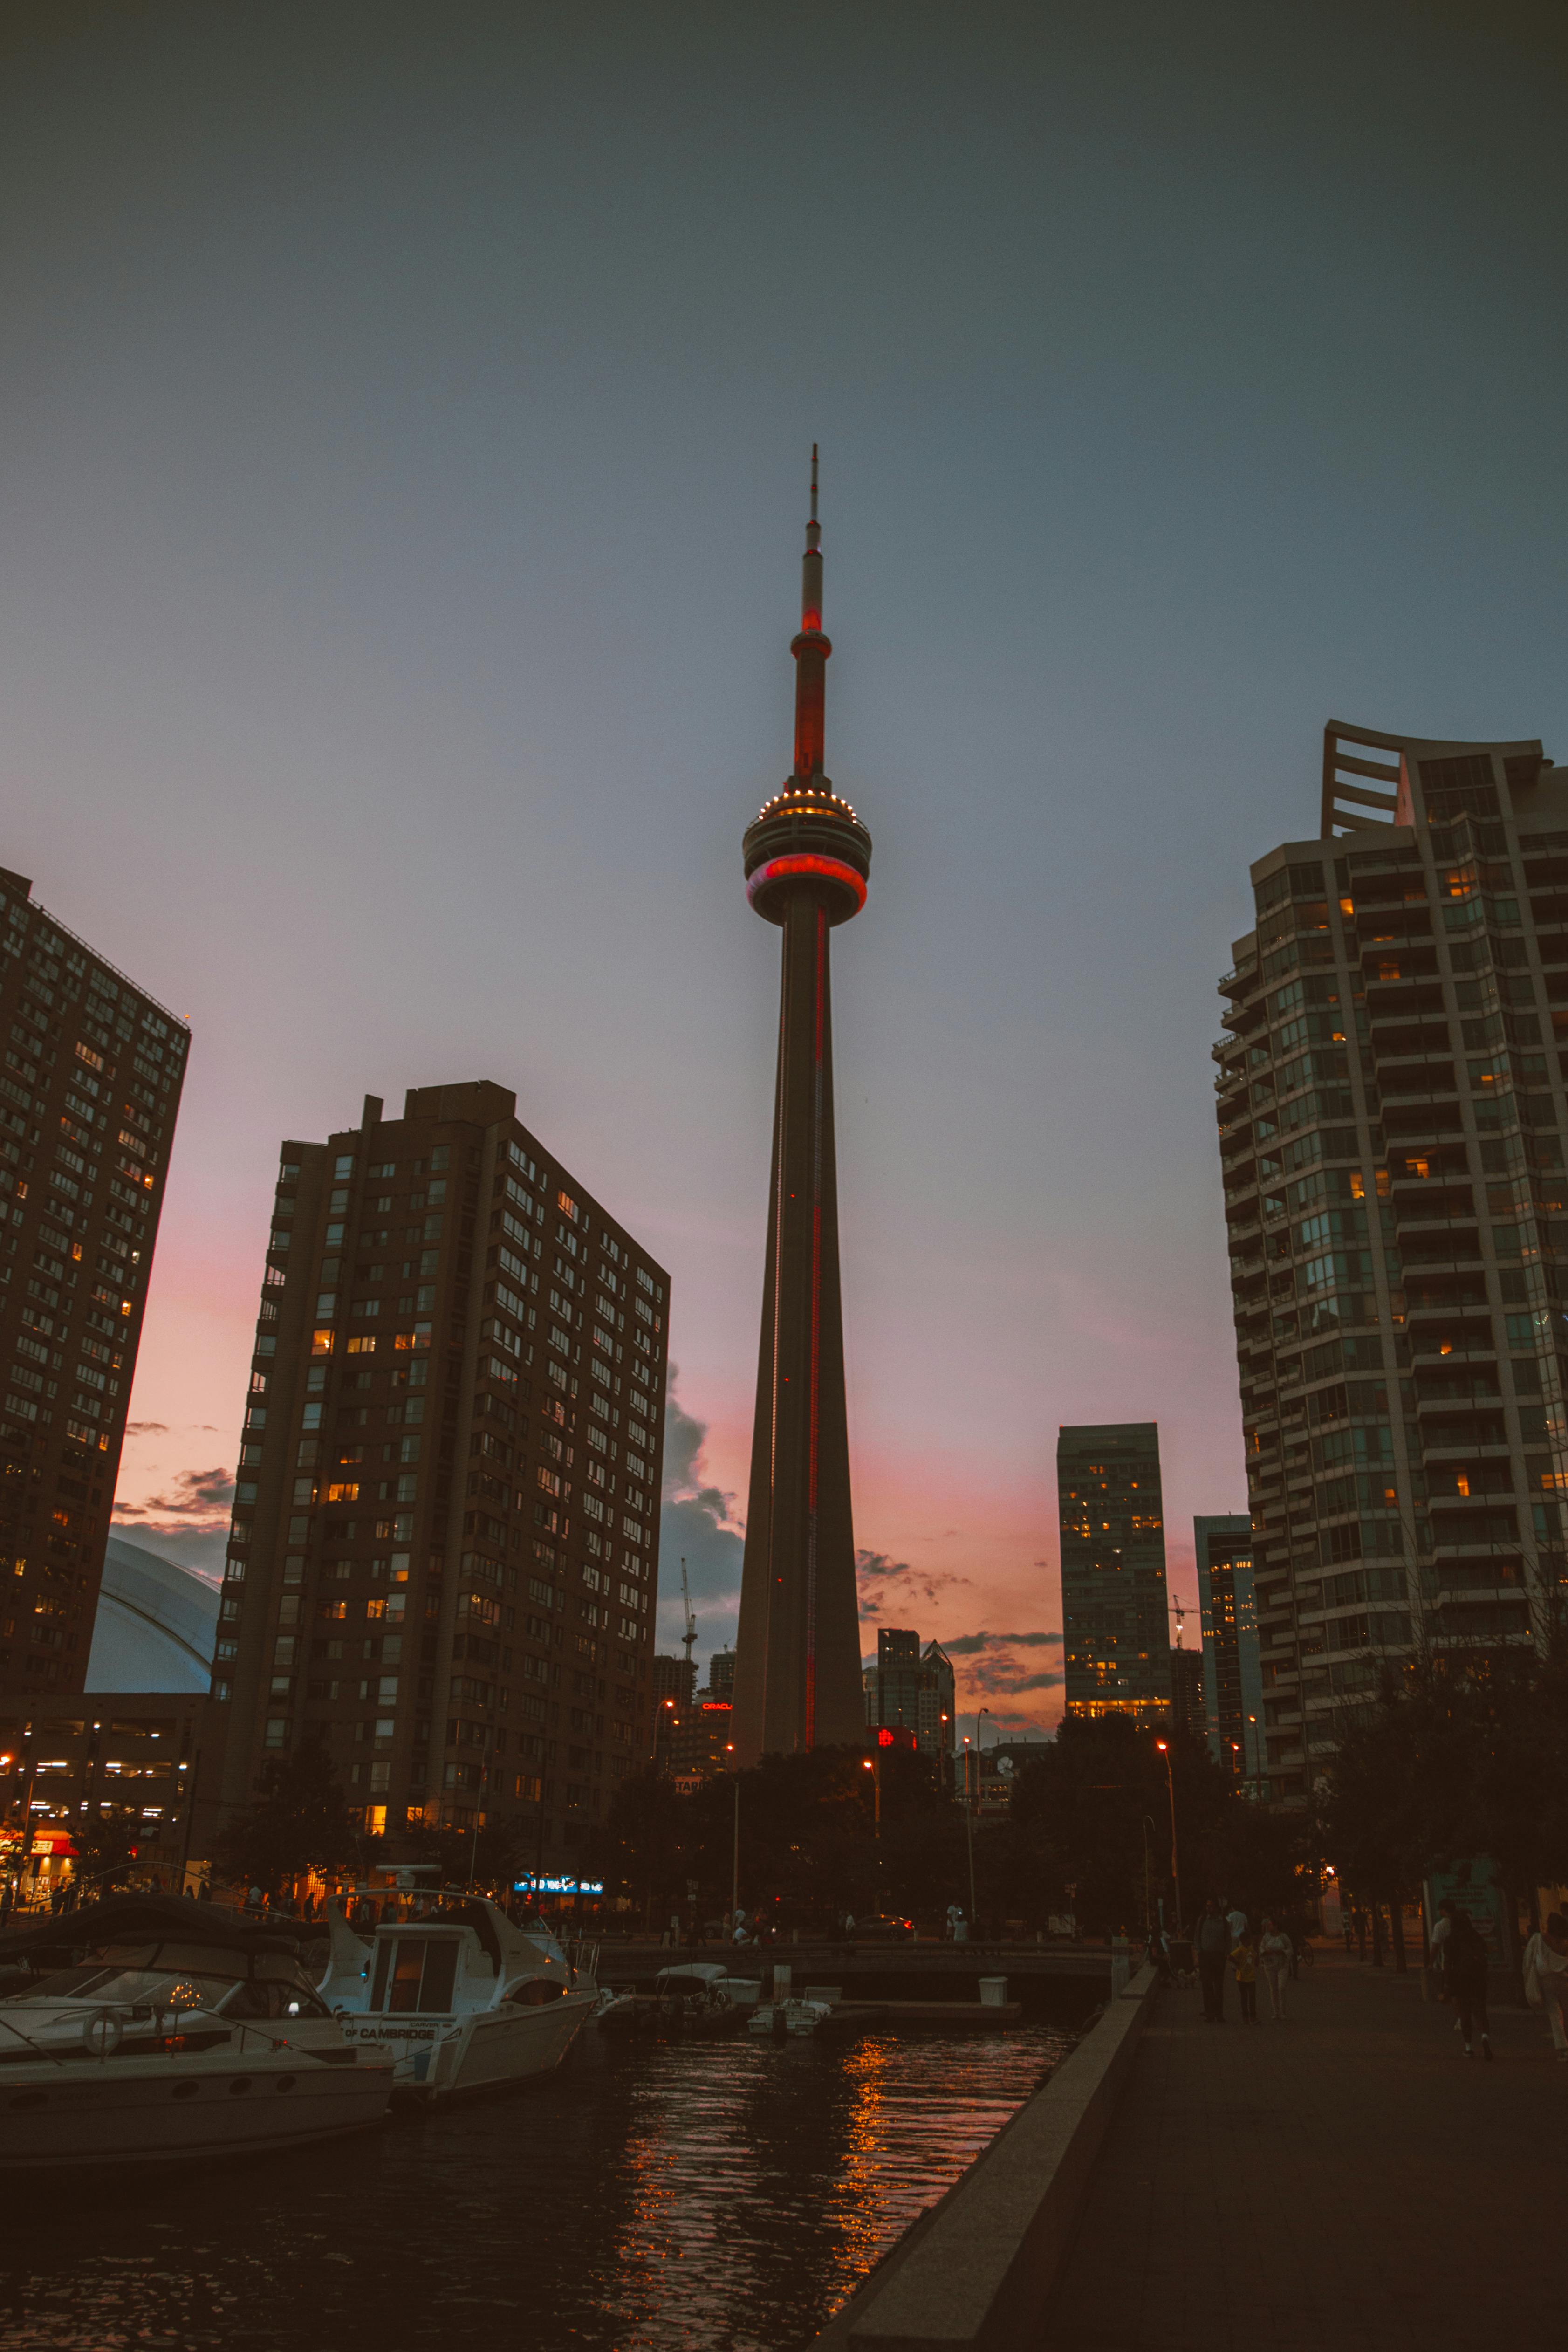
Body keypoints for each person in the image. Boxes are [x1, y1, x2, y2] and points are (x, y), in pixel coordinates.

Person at [1442, 1907, 1493, 2059]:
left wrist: (1447, 1983)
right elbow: (1485, 1955)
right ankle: (1485, 2037)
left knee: (1464, 2013)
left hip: (1459, 1979)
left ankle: (1468, 2047)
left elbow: (1447, 1964)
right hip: (1478, 1978)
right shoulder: (1476, 1936)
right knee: (1480, 2011)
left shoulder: (1451, 1940)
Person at [1522, 1910, 1568, 2062]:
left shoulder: (1538, 1939)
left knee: (1555, 2014)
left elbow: (1528, 1960)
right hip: (1565, 1980)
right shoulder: (1564, 1942)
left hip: (1547, 1981)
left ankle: (1563, 2048)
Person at [1195, 1898, 1230, 2023]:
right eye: (1207, 1906)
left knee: (1219, 1987)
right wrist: (1199, 1952)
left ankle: (1219, 2014)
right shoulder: (1203, 1920)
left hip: (1219, 1957)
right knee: (1207, 1986)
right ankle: (1210, 2013)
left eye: (1211, 1906)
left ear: (1216, 1908)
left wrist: (1226, 1953)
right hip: (1206, 1956)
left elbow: (1228, 1939)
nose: (1209, 1909)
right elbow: (1197, 1937)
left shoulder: (1223, 1922)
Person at [1258, 1917, 1292, 2020]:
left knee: (1281, 1987)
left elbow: (1290, 1948)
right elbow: (1261, 1948)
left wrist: (1282, 1952)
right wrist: (1265, 1952)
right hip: (1270, 1965)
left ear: (1276, 1926)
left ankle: (1283, 2011)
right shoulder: (1266, 1937)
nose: (1268, 1927)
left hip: (1282, 1965)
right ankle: (1276, 2011)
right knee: (1273, 1988)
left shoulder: (1284, 1937)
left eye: (1270, 1925)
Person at [1231, 1926, 1259, 2022]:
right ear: (1244, 1941)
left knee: (1252, 1997)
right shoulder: (1240, 1949)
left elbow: (1256, 1958)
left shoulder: (1251, 1949)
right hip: (1242, 1977)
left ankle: (1253, 2016)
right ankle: (1246, 2016)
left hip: (1251, 1977)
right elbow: (1231, 1957)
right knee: (1244, 1997)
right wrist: (1238, 1964)